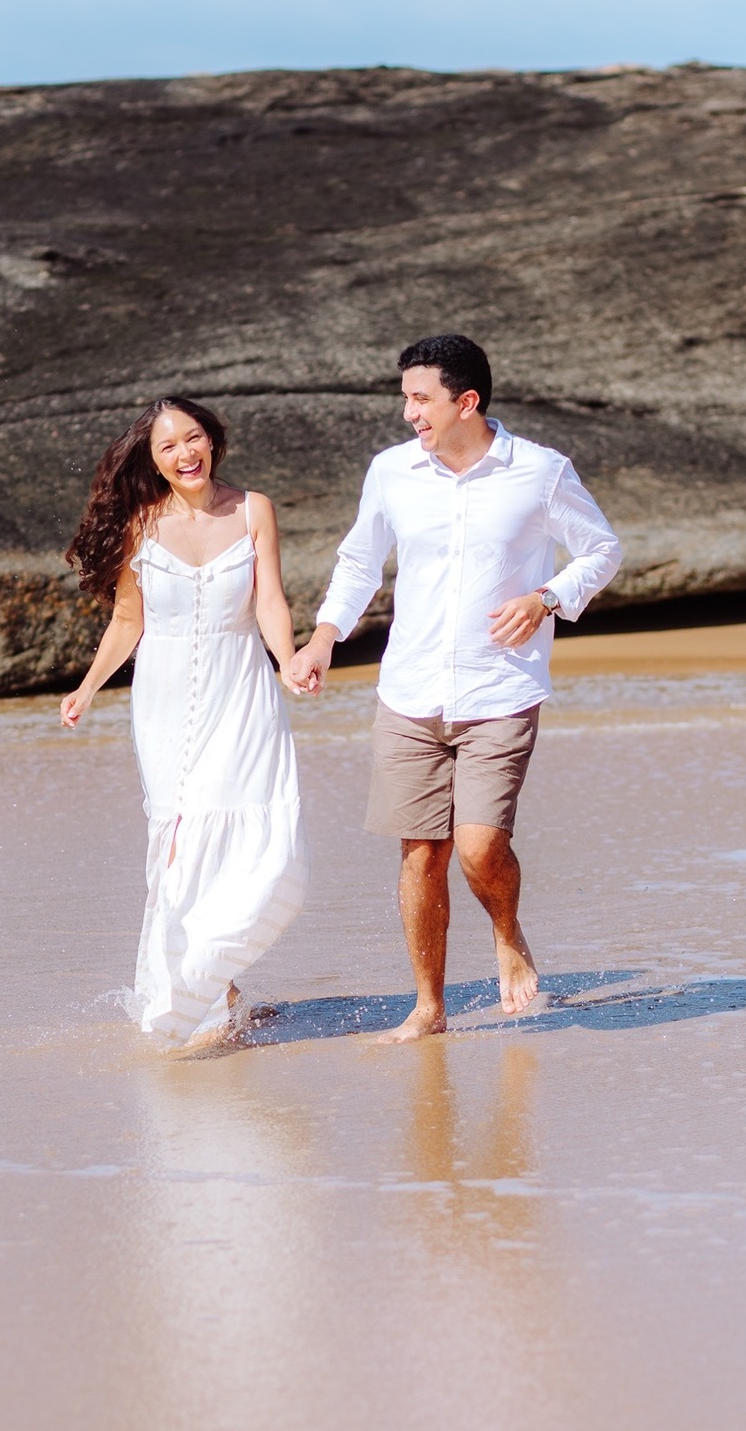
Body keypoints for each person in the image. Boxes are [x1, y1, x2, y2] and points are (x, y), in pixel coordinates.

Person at [288, 334, 621, 1043]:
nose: (408, 412)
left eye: (421, 399)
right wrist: (323, 635)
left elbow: (601, 549)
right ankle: (428, 1007)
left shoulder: (539, 472)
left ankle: (506, 932)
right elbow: (359, 560)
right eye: (405, 398)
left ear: (465, 401)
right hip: (408, 691)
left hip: (500, 689)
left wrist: (547, 597)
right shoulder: (392, 472)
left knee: (476, 849)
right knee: (421, 852)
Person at [60, 397, 308, 1049]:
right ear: (153, 459)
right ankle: (205, 990)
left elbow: (271, 601)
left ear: (213, 440)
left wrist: (287, 661)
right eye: (168, 445)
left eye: (192, 437)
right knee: (181, 835)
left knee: (243, 828)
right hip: (164, 702)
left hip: (243, 692)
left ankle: (218, 978)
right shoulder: (141, 525)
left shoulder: (254, 510)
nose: (184, 453)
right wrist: (87, 687)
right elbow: (126, 621)